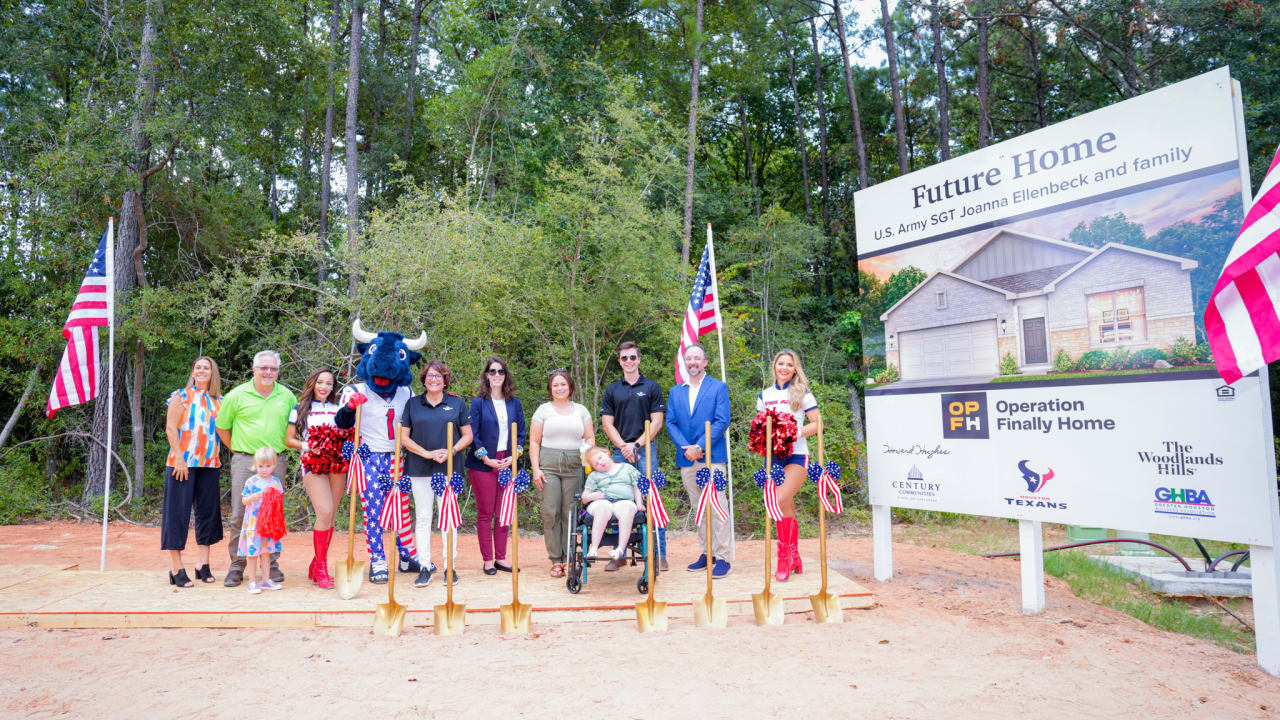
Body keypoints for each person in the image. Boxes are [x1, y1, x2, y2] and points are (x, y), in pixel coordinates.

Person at [215, 350, 296, 587]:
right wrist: (238, 451)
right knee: (241, 512)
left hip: (275, 462)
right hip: (245, 460)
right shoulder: (237, 395)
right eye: (264, 368)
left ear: (278, 371)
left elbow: (294, 427)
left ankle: (270, 565)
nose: (268, 372)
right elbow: (222, 427)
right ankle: (238, 565)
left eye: (273, 368)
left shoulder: (287, 396)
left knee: (272, 512)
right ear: (254, 370)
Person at [400, 361, 473, 587]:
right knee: (422, 518)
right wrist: (427, 453)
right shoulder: (413, 404)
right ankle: (424, 566)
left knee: (448, 519)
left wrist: (450, 452)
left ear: (445, 379)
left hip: (448, 468)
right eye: (430, 376)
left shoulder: (457, 403)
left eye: (439, 376)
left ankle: (449, 568)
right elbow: (403, 438)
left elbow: (468, 436)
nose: (434, 379)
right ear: (423, 379)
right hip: (419, 469)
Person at [665, 342, 733, 579]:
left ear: (705, 362)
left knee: (717, 506)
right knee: (699, 508)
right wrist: (687, 448)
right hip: (687, 458)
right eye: (688, 358)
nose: (692, 362)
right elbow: (670, 423)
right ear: (685, 363)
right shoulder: (676, 391)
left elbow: (722, 421)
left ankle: (723, 557)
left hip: (711, 457)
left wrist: (700, 446)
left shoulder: (718, 388)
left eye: (697, 358)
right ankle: (708, 552)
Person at [599, 341, 667, 571]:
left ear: (639, 359)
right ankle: (619, 555)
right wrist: (623, 446)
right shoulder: (612, 390)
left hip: (646, 450)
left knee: (652, 500)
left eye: (632, 357)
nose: (628, 361)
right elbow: (607, 424)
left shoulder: (651, 387)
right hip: (619, 453)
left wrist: (636, 445)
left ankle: (659, 554)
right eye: (624, 358)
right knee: (619, 499)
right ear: (619, 362)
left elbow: (657, 421)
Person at [758, 348, 822, 582]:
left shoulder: (802, 393)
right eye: (780, 363)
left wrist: (793, 433)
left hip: (796, 457)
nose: (784, 368)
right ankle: (794, 555)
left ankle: (783, 558)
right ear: (774, 366)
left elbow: (817, 424)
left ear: (795, 369)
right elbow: (760, 428)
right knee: (785, 507)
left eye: (789, 364)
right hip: (774, 458)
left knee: (776, 500)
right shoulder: (764, 395)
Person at [161, 356, 225, 588]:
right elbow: (170, 428)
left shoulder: (219, 400)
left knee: (207, 514)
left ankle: (203, 565)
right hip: (182, 463)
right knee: (177, 514)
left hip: (209, 463)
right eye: (198, 367)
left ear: (212, 372)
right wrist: (179, 458)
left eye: (206, 367)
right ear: (193, 371)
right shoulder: (182, 396)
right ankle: (177, 568)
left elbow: (224, 432)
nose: (201, 370)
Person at [284, 368, 348, 589]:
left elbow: (349, 430)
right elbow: (288, 439)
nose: (324, 387)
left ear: (333, 387)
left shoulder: (338, 408)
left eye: (329, 384)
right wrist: (307, 446)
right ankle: (322, 568)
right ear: (312, 383)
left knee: (331, 517)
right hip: (313, 463)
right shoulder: (300, 408)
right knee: (325, 511)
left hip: (337, 464)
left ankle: (316, 563)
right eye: (320, 382)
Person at [529, 369, 594, 578]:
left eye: (563, 384)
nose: (559, 388)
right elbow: (534, 441)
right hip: (548, 464)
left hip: (574, 464)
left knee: (571, 512)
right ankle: (555, 559)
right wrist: (536, 469)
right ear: (550, 388)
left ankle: (569, 558)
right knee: (550, 512)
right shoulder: (543, 410)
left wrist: (586, 452)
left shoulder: (581, 410)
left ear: (570, 386)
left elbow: (590, 437)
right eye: (555, 385)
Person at [466, 356, 526, 575]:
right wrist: (485, 458)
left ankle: (501, 557)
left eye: (501, 371)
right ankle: (488, 560)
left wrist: (514, 456)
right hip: (484, 464)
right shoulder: (478, 402)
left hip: (507, 462)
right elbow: (474, 434)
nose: (497, 375)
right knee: (486, 513)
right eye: (493, 371)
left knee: (504, 513)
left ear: (505, 375)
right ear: (486, 375)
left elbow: (520, 434)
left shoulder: (514, 403)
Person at [580, 446, 643, 572]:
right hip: (602, 501)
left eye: (600, 457)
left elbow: (637, 487)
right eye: (596, 464)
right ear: (593, 467)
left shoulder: (627, 468)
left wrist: (640, 503)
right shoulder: (594, 475)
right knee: (603, 509)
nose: (600, 463)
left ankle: (620, 550)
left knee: (627, 510)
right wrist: (591, 496)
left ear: (606, 453)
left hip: (624, 501)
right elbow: (584, 498)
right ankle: (594, 549)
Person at [239, 446, 285, 594]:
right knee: (252, 553)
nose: (264, 469)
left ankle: (266, 580)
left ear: (274, 465)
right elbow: (244, 501)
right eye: (260, 466)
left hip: (268, 525)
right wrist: (253, 497)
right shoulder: (251, 481)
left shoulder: (276, 482)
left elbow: (279, 500)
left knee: (266, 553)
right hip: (254, 524)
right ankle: (252, 582)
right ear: (255, 464)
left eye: (268, 466)